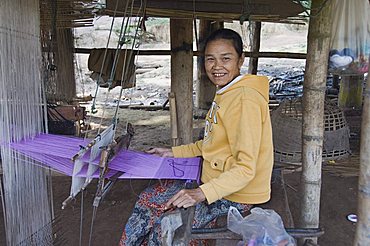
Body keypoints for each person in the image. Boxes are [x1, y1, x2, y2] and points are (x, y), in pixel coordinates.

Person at [119, 28, 273, 245]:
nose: (217, 66)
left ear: (241, 60)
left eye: (226, 58)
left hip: (238, 194)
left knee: (167, 227)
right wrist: (172, 152)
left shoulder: (244, 101)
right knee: (148, 198)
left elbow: (246, 169)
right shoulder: (227, 93)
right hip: (219, 182)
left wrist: (200, 194)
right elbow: (212, 144)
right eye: (210, 59)